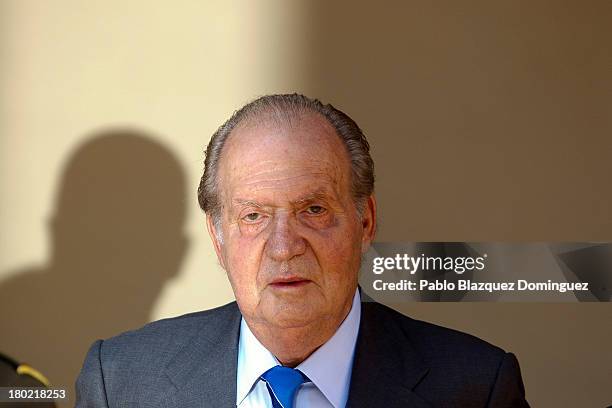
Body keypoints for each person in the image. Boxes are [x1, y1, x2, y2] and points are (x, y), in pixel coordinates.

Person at [76, 94, 529, 407]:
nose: (284, 247)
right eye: (253, 216)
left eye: (313, 209)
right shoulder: (121, 381)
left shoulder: (475, 386)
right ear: (217, 237)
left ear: (365, 222)